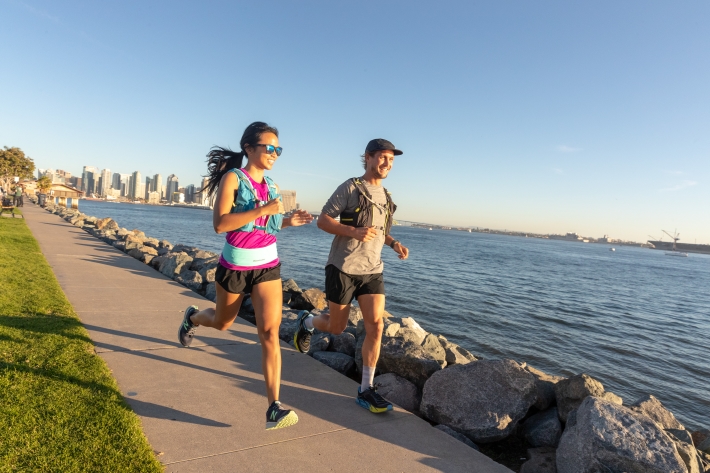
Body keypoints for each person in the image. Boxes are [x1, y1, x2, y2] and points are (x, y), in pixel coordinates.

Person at [177, 121, 314, 430]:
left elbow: (271, 226)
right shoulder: (233, 179)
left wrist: (289, 221)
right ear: (249, 149)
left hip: (268, 266)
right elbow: (221, 224)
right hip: (235, 266)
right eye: (269, 147)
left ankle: (273, 408)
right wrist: (262, 210)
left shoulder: (273, 187)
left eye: (278, 149)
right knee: (222, 323)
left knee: (269, 332)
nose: (275, 153)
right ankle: (194, 317)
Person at [293, 138, 409, 413]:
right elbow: (323, 220)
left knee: (376, 326)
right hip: (343, 268)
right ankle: (307, 322)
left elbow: (380, 231)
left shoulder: (387, 197)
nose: (387, 164)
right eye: (382, 157)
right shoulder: (351, 187)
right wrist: (354, 232)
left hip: (372, 270)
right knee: (337, 326)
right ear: (368, 157)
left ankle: (365, 389)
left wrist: (394, 244)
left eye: (391, 160)